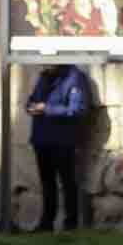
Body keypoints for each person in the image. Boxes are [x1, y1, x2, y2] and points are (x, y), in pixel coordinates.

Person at [25, 60, 97, 231]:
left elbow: (77, 109)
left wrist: (47, 109)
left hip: (63, 140)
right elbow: (33, 98)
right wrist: (30, 107)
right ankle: (46, 222)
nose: (45, 65)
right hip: (41, 138)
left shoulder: (75, 77)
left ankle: (70, 223)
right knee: (47, 183)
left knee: (68, 182)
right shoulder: (44, 76)